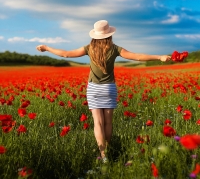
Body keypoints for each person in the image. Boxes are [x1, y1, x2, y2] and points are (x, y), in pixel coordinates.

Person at [36, 20, 171, 163]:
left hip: (93, 89)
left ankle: (104, 155)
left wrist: (46, 48)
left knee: (98, 123)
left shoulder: (89, 48)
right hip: (109, 88)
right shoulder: (115, 49)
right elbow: (137, 56)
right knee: (108, 123)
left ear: (94, 36)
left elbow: (66, 54)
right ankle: (110, 149)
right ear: (109, 35)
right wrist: (159, 56)